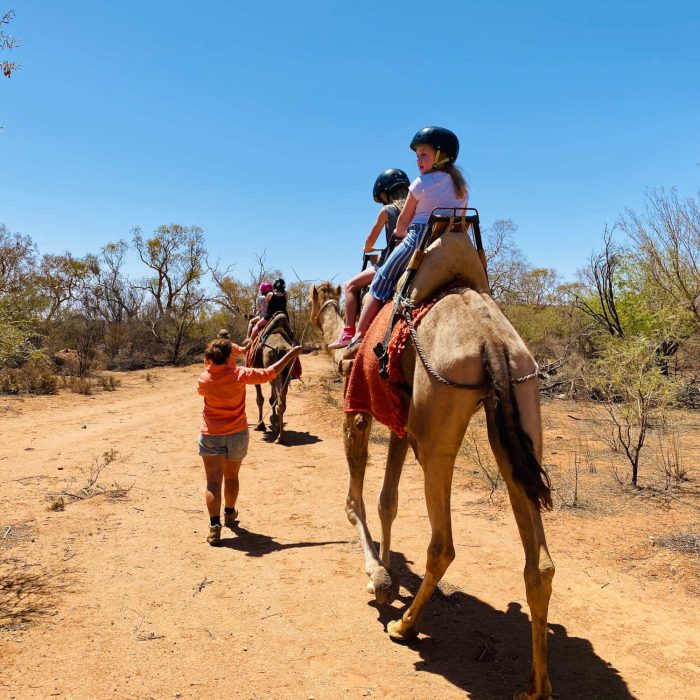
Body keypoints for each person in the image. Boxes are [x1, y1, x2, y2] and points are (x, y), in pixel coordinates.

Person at [344, 126, 468, 356]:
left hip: (418, 239)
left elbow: (403, 221)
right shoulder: (461, 188)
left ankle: (358, 338)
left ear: (441, 156)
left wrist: (400, 238)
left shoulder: (420, 183)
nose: (418, 161)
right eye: (417, 156)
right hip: (452, 242)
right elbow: (460, 219)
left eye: (424, 155)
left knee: (380, 282)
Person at [197, 337, 302, 545]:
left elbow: (206, 381)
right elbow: (270, 373)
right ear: (230, 357)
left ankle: (214, 526)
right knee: (232, 476)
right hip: (237, 434)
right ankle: (229, 513)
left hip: (211, 435)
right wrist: (291, 354)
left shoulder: (203, 379)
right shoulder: (240, 374)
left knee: (213, 482)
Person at [327, 169, 410, 349]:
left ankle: (349, 332)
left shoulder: (387, 211)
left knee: (351, 285)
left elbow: (368, 242)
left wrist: (371, 249)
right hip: (414, 260)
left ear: (386, 193)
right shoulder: (417, 208)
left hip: (391, 262)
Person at [249, 278, 288, 343]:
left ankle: (250, 341)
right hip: (283, 315)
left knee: (257, 325)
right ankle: (294, 342)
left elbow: (267, 305)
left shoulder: (270, 294)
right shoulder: (285, 294)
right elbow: (286, 301)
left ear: (274, 286)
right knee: (289, 331)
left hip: (270, 316)